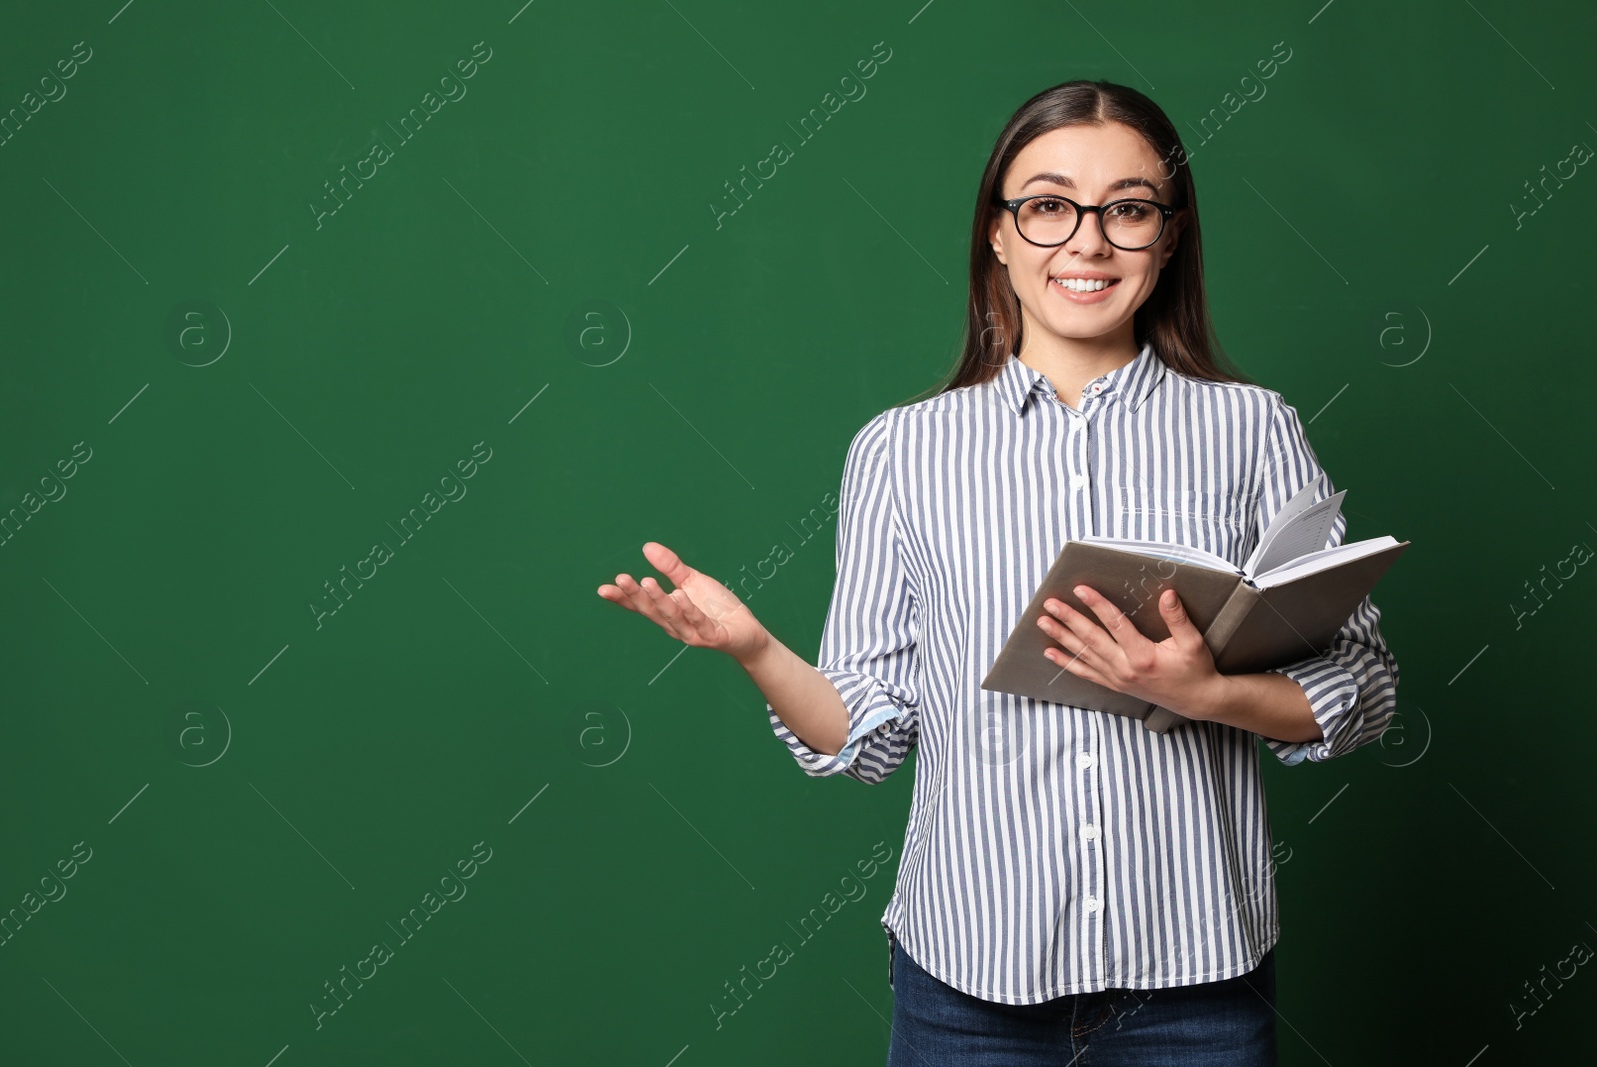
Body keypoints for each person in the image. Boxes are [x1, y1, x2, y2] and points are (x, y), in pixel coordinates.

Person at [596, 79, 1399, 1066]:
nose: (1088, 241)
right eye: (1050, 205)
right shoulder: (901, 450)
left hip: (1196, 984)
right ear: (999, 232)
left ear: (1170, 235)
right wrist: (757, 651)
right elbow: (869, 730)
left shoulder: (1251, 429)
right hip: (965, 986)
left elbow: (1362, 684)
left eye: (1129, 209)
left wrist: (1209, 691)